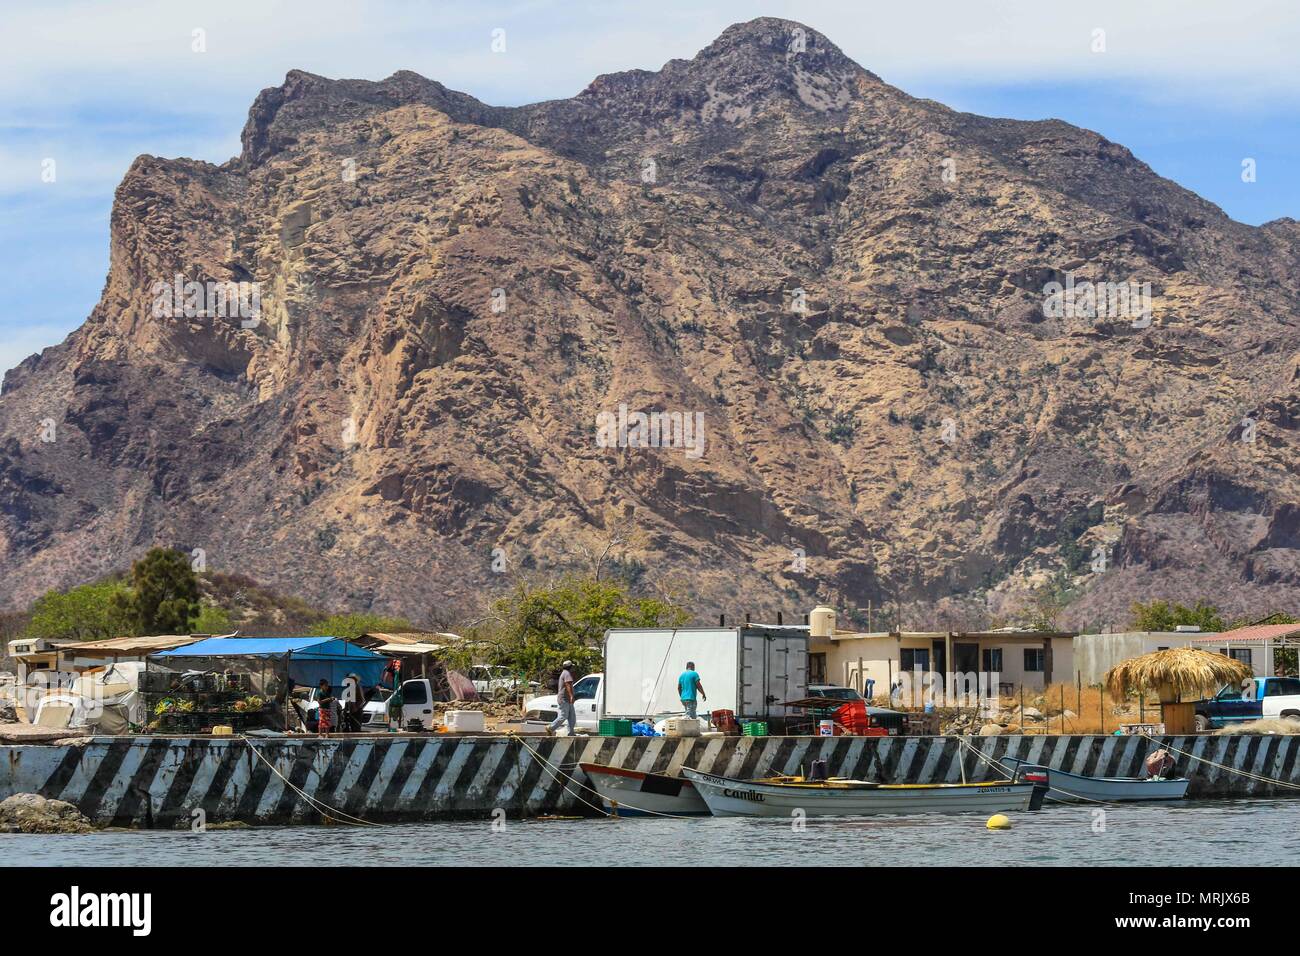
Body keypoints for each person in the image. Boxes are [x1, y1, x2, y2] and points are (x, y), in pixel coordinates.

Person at [548, 660, 577, 736]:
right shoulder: (567, 674)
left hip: (566, 699)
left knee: (572, 717)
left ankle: (571, 732)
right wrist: (571, 696)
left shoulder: (565, 673)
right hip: (564, 698)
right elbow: (568, 685)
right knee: (563, 716)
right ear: (570, 667)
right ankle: (551, 727)